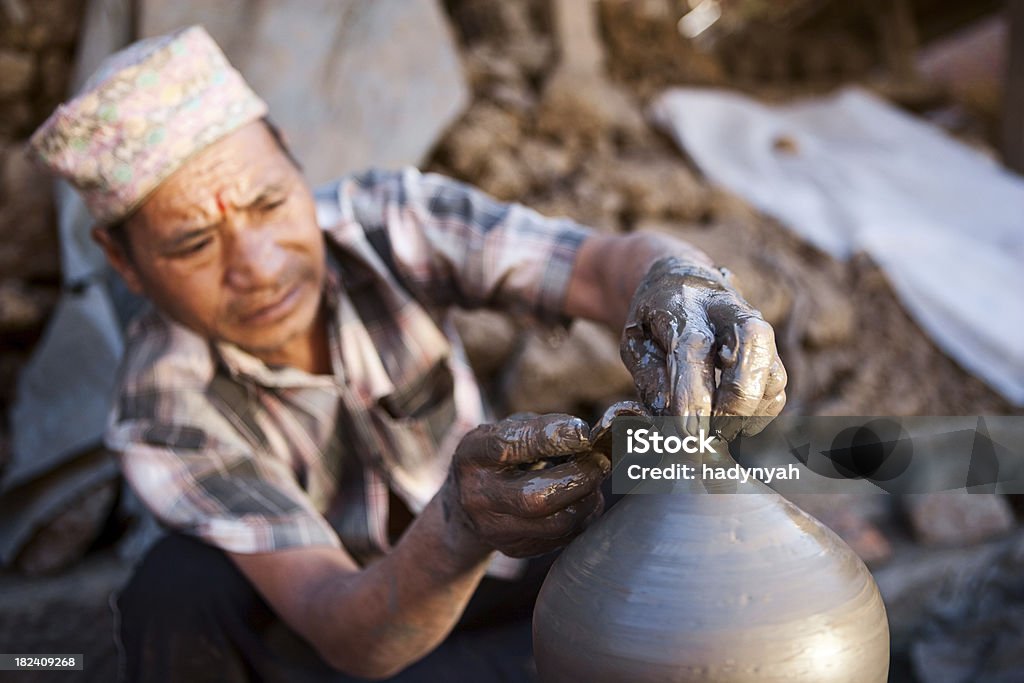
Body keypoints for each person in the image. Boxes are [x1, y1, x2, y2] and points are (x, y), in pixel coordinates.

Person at [30, 26, 786, 682]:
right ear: (124, 264)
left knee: (687, 448)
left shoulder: (386, 222)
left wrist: (679, 282)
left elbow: (596, 268)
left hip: (515, 597)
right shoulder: (165, 404)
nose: (258, 264)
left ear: (292, 158)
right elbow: (342, 622)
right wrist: (457, 521)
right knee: (174, 591)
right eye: (195, 242)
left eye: (268, 203)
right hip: (354, 648)